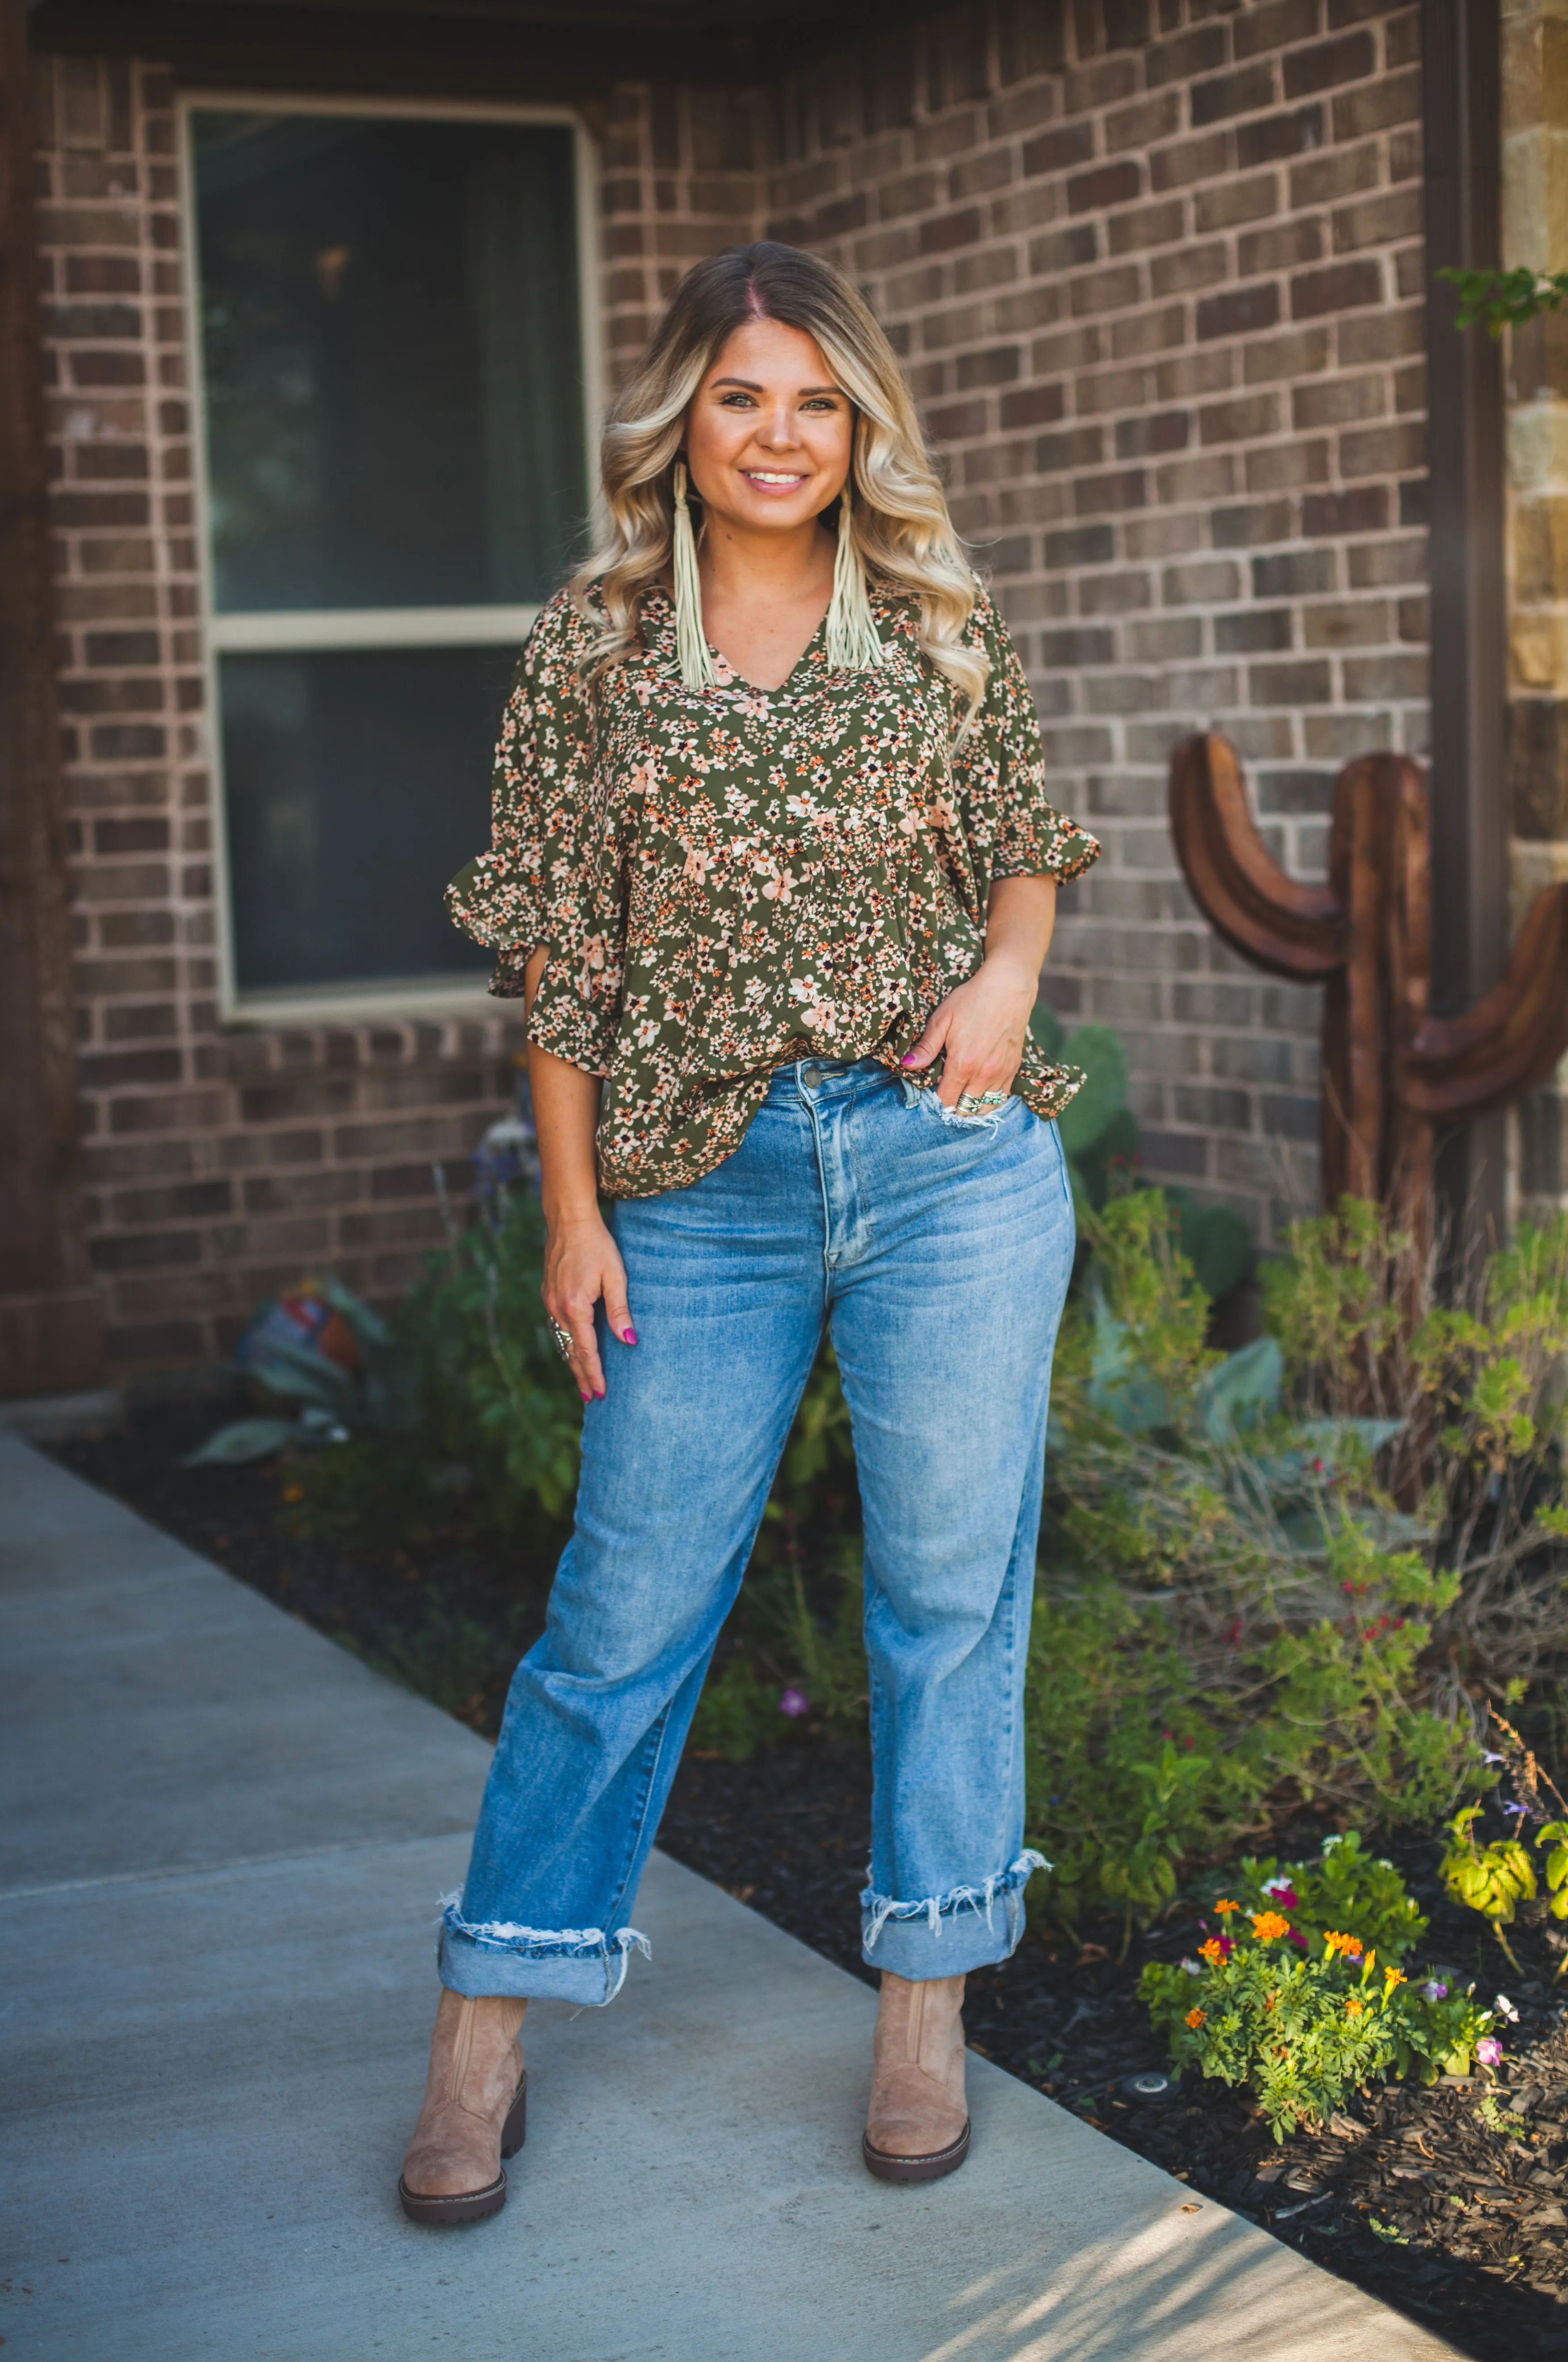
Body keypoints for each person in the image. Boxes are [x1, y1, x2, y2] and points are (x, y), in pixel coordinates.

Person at [398, 241, 1098, 2225]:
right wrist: (570, 1205)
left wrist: (1009, 985)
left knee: (950, 1594)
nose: (780, 434)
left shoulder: (944, 620)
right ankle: (487, 2024)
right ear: (682, 423)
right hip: (694, 1191)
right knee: (620, 1614)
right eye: (741, 395)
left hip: (946, 1160)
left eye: (814, 398)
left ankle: (923, 1999)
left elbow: (1029, 852)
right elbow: (551, 961)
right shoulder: (596, 643)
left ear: (856, 419)